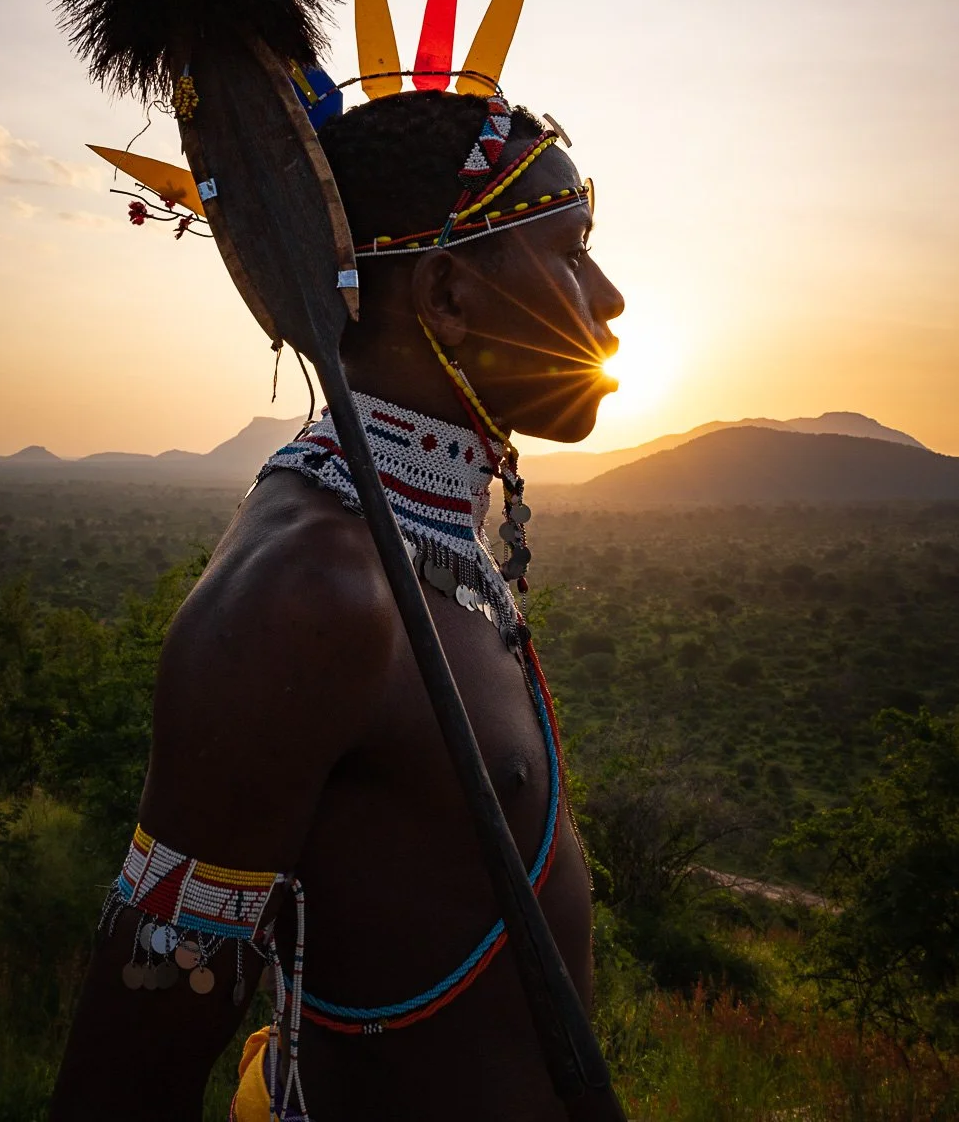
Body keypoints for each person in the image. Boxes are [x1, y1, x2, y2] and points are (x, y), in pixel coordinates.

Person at [50, 86, 624, 1121]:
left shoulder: (426, 538)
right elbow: (128, 1065)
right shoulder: (312, 595)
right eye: (573, 250)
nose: (610, 296)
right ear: (446, 296)